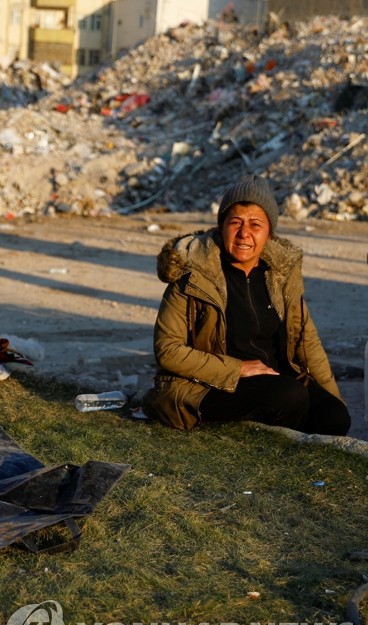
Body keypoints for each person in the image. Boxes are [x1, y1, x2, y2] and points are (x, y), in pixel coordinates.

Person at [142, 174, 350, 436]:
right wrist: (238, 369)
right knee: (289, 396)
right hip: (208, 385)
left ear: (269, 233)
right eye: (236, 222)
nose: (244, 234)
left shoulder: (280, 275)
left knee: (335, 418)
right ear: (222, 226)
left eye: (255, 224)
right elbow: (168, 350)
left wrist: (333, 398)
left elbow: (307, 343)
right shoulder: (193, 274)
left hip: (275, 380)